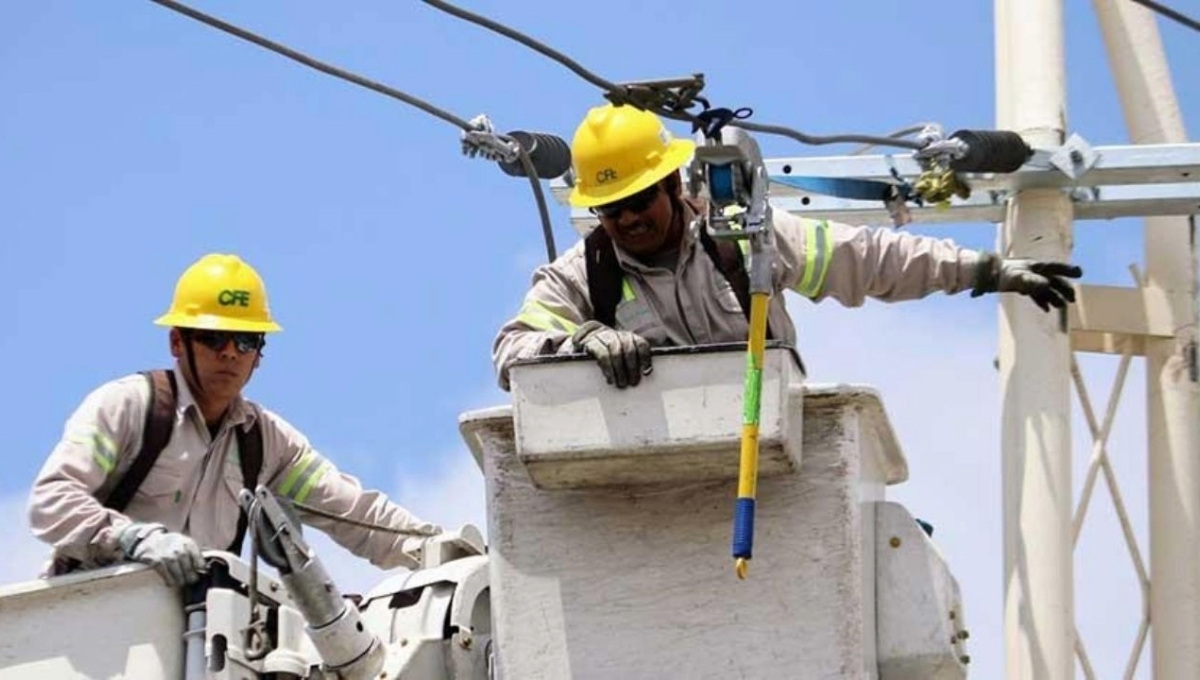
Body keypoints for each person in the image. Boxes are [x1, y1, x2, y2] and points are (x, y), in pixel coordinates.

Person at [493, 103, 1083, 390]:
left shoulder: (745, 241)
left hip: (763, 447)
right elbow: (511, 352)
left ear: (673, 184)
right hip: (651, 473)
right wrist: (580, 338)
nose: (626, 220)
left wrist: (987, 270)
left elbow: (870, 260)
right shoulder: (582, 275)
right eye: (610, 209)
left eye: (639, 201)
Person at [28, 253, 442, 587]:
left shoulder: (264, 444)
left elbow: (353, 513)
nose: (230, 353)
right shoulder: (130, 407)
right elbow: (52, 501)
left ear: (260, 353)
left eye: (245, 341)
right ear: (177, 341)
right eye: (213, 338)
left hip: (186, 646)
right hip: (91, 622)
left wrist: (436, 549)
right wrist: (132, 538)